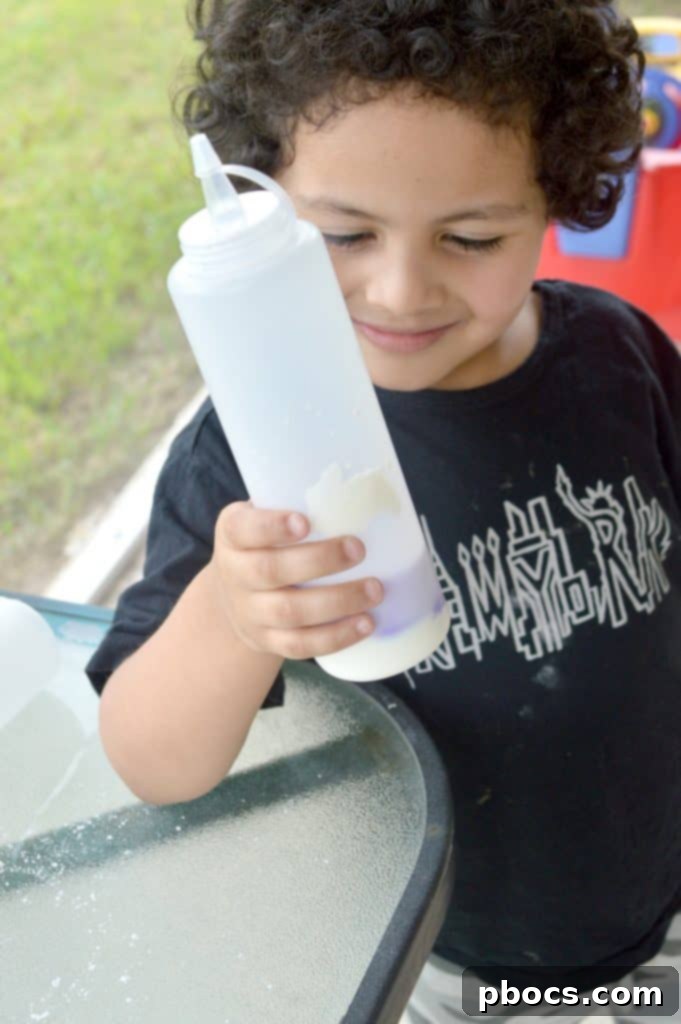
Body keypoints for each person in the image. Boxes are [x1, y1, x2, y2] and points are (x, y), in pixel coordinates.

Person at [85, 1, 681, 1020]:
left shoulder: (622, 356)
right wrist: (234, 615)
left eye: (471, 235)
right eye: (345, 233)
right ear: (261, 203)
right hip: (447, 959)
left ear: (557, 201)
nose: (400, 289)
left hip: (660, 903)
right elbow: (155, 765)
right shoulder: (245, 451)